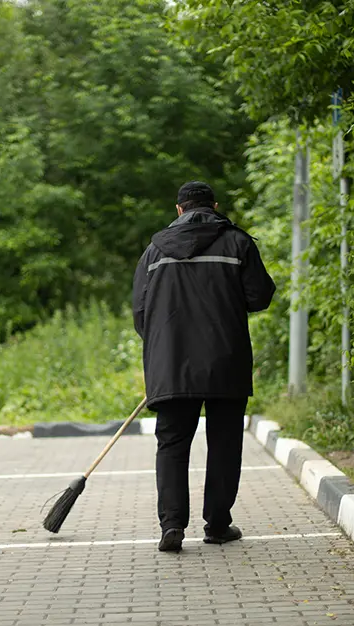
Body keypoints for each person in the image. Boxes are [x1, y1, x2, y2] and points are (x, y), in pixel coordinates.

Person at [132, 181, 277, 553]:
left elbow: (141, 313)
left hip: (172, 362)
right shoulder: (238, 243)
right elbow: (260, 296)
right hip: (225, 360)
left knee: (172, 444)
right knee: (224, 442)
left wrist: (162, 349)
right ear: (214, 206)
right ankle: (217, 524)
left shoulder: (154, 251)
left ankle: (172, 527)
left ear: (179, 209)